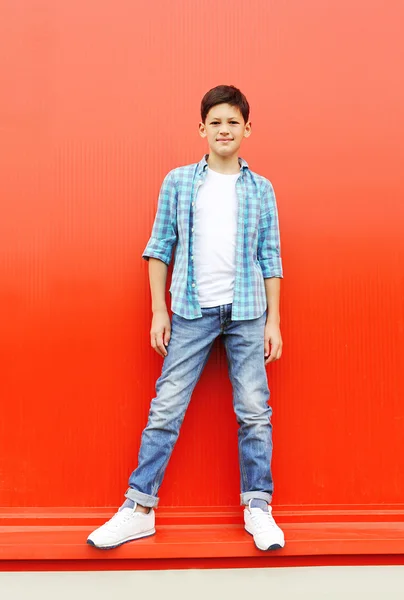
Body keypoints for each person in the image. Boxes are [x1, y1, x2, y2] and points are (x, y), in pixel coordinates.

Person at [87, 85, 285, 552]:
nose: (224, 129)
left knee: (254, 412)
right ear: (201, 129)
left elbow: (270, 257)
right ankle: (139, 510)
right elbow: (159, 249)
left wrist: (274, 321)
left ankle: (259, 507)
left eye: (233, 122)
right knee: (166, 408)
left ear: (247, 130)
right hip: (191, 311)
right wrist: (159, 310)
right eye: (215, 122)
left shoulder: (261, 188)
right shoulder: (178, 182)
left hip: (248, 311)